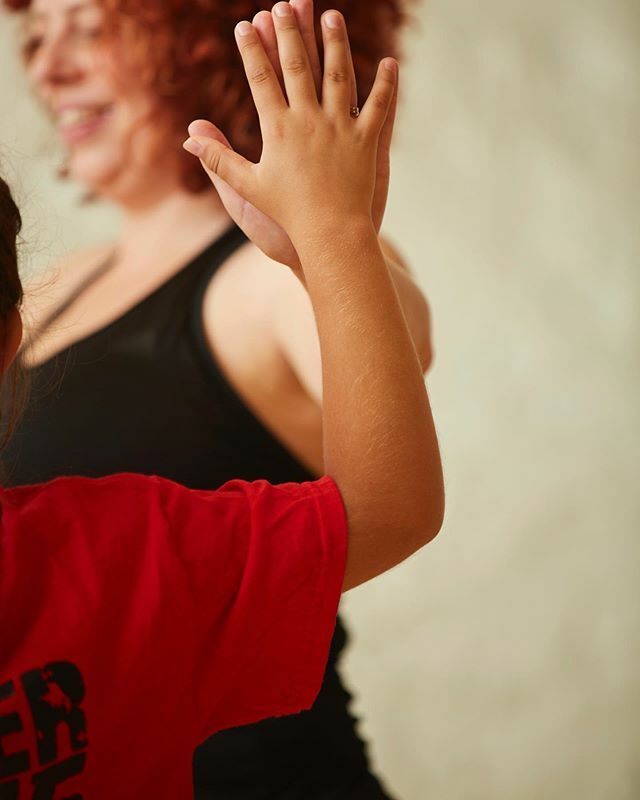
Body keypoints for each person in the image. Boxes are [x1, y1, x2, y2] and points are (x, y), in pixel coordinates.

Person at [0, 8, 443, 796]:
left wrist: (327, 241)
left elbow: (408, 345)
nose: (48, 68)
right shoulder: (54, 289)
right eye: (35, 39)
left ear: (205, 43)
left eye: (89, 29)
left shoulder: (268, 269)